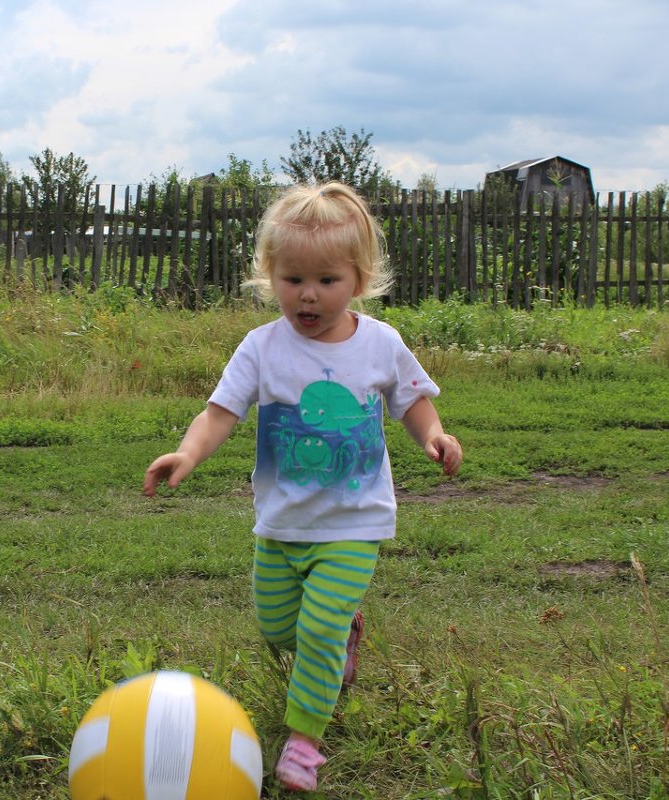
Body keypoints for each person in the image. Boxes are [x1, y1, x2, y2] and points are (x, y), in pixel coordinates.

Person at [143, 182, 462, 792]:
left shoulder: (381, 343)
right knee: (277, 630)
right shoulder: (262, 348)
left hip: (354, 523)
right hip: (282, 524)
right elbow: (219, 413)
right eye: (292, 280)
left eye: (326, 280)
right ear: (270, 276)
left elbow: (413, 401)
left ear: (359, 279)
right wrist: (187, 453)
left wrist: (433, 437)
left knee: (315, 631)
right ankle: (343, 635)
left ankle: (304, 741)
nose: (308, 295)